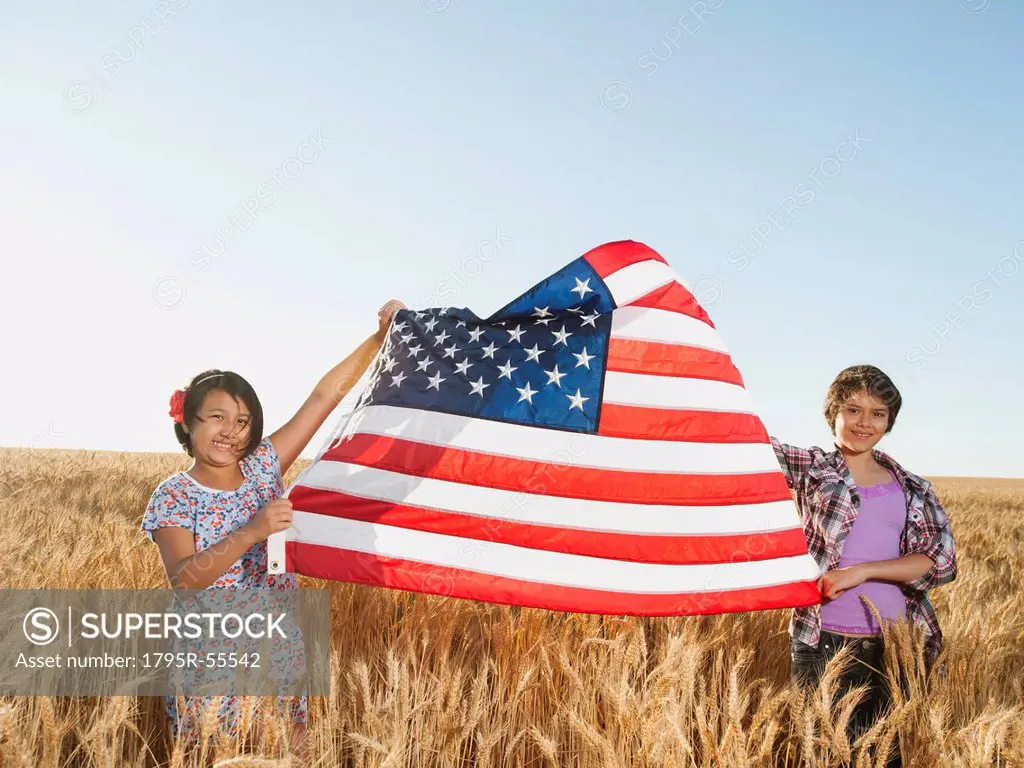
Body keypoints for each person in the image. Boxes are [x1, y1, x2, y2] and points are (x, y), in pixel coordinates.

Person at [140, 299, 405, 755]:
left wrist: (379, 339)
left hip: (275, 643)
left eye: (243, 421)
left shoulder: (264, 466)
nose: (231, 431)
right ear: (188, 422)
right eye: (217, 418)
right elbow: (183, 578)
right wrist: (253, 530)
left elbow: (324, 397)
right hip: (209, 657)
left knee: (290, 748)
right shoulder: (174, 494)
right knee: (214, 753)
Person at [771, 364, 957, 763]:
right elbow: (743, 445)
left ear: (889, 422)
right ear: (833, 413)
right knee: (823, 753)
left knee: (885, 754)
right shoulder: (814, 468)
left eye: (878, 414)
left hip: (894, 643)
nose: (864, 422)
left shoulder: (912, 487)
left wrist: (863, 571)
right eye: (853, 409)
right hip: (822, 639)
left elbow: (937, 561)